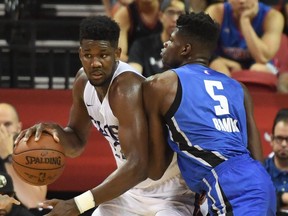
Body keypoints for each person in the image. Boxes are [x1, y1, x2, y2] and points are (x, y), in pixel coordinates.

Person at [15, 15, 208, 216]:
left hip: (171, 190)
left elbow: (139, 166)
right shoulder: (82, 82)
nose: (95, 63)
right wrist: (54, 131)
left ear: (117, 54)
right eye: (88, 55)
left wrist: (77, 204)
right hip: (129, 188)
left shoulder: (127, 89)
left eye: (103, 55)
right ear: (80, 54)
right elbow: (76, 143)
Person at [142, 11, 276, 215]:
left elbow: (156, 169)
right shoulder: (238, 88)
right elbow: (256, 155)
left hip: (229, 186)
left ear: (186, 49)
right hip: (259, 182)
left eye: (171, 40)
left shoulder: (160, 84)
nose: (165, 44)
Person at [205, 0, 284, 76]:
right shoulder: (216, 11)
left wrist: (245, 21)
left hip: (260, 64)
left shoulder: (273, 16)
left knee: (257, 69)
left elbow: (262, 59)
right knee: (217, 66)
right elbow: (202, 50)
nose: (242, 1)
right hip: (225, 62)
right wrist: (227, 63)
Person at [0, 103, 47, 215]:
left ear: (18, 127)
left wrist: (8, 157)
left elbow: (35, 201)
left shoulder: (31, 154)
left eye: (7, 124)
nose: (1, 130)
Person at [128, 0, 187, 77]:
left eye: (180, 14)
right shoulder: (141, 45)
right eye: (170, 12)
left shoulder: (189, 49)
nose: (175, 19)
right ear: (160, 16)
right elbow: (132, 76)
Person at [264, 108, 288, 215]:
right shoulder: (260, 171)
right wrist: (282, 198)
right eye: (279, 138)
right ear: (272, 140)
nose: (283, 144)